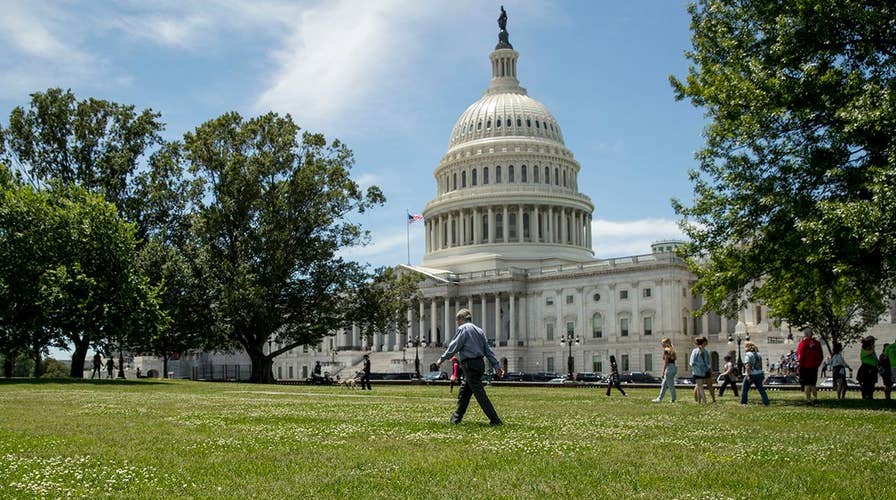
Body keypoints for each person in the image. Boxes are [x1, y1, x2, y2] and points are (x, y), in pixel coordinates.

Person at [435, 308, 504, 426]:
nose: (457, 323)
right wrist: (496, 365)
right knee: (464, 393)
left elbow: (454, 346)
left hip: (470, 364)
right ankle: (455, 420)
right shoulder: (479, 330)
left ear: (461, 319)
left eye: (457, 320)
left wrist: (442, 358)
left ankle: (495, 420)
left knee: (480, 394)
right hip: (479, 364)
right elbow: (488, 351)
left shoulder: (463, 329)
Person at [797, 330, 823, 405]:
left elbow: (800, 355)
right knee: (813, 384)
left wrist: (800, 364)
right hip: (814, 366)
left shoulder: (803, 343)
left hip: (805, 366)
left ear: (805, 335)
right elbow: (821, 356)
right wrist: (818, 364)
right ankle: (815, 398)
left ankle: (808, 400)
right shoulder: (817, 343)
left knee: (807, 384)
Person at [740, 341, 769, 406]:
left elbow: (747, 366)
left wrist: (748, 375)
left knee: (744, 389)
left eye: (745, 347)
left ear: (747, 347)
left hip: (751, 374)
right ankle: (766, 402)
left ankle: (743, 402)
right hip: (759, 374)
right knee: (761, 390)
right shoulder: (758, 354)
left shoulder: (748, 355)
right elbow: (761, 365)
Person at [653, 337, 677, 402]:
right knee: (664, 384)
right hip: (674, 367)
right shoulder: (673, 349)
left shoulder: (666, 350)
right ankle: (659, 398)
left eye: (663, 343)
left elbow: (666, 362)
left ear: (666, 343)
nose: (662, 344)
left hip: (669, 368)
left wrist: (663, 371)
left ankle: (673, 399)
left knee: (670, 385)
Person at [690, 337, 711, 403]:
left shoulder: (695, 351)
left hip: (697, 371)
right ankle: (699, 401)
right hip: (704, 371)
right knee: (700, 386)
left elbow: (692, 362)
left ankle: (704, 401)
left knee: (700, 386)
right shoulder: (706, 351)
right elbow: (708, 362)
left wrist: (696, 365)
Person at [856, 336, 877, 400]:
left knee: (872, 382)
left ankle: (870, 395)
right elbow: (870, 352)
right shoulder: (864, 351)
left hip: (873, 368)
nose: (873, 343)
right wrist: (872, 346)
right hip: (867, 368)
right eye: (872, 342)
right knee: (866, 382)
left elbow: (875, 358)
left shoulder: (872, 351)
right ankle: (865, 396)